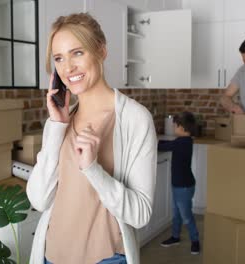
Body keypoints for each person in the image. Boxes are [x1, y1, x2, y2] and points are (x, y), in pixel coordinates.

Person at [26, 13, 157, 264]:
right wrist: (57, 127)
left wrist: (92, 169)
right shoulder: (58, 122)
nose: (68, 68)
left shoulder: (135, 119)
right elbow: (39, 199)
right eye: (59, 59)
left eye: (77, 53)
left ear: (101, 51)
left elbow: (140, 214)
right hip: (50, 256)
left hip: (106, 258)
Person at [157, 112, 200, 255]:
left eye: (175, 126)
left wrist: (152, 141)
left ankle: (195, 240)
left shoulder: (182, 142)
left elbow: (164, 146)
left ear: (182, 128)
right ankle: (175, 237)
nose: (174, 128)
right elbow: (168, 144)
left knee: (186, 216)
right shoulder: (186, 141)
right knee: (176, 214)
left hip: (183, 187)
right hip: (180, 185)